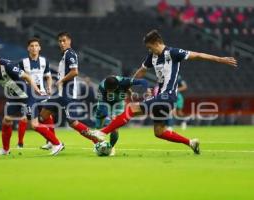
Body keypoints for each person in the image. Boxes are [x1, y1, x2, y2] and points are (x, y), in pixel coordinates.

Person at [91, 29, 237, 154]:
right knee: (159, 132)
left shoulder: (173, 53)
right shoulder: (152, 57)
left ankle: (102, 132)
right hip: (161, 96)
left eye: (150, 47)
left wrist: (219, 59)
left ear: (156, 43)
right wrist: (130, 84)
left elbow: (197, 55)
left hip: (167, 96)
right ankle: (191, 143)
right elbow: (142, 71)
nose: (149, 50)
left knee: (132, 109)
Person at [0, 49, 64, 156]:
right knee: (6, 120)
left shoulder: (8, 66)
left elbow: (27, 76)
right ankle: (5, 149)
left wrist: (36, 88)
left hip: (27, 95)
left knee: (34, 125)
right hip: (15, 98)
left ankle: (57, 144)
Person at [40, 31, 101, 150]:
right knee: (44, 114)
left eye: (64, 40)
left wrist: (61, 80)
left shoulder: (70, 54)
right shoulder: (65, 55)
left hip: (66, 93)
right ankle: (52, 141)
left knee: (72, 122)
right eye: (60, 41)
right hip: (62, 92)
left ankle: (96, 139)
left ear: (69, 41)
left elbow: (75, 72)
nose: (62, 43)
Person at [95, 75, 148, 156]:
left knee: (115, 127)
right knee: (98, 126)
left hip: (118, 103)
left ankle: (111, 147)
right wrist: (108, 119)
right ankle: (99, 144)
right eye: (107, 90)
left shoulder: (124, 82)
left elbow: (143, 81)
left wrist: (145, 91)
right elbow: (103, 111)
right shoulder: (101, 87)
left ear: (117, 86)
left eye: (111, 90)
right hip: (104, 102)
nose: (108, 92)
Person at [16, 37, 54, 148]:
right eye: (32, 46)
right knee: (24, 118)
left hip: (42, 93)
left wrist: (49, 87)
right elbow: (17, 77)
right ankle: (20, 143)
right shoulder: (22, 63)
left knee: (47, 115)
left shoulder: (44, 61)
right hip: (28, 94)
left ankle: (50, 142)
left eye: (36, 46)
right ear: (28, 48)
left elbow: (48, 76)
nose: (34, 48)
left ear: (40, 48)